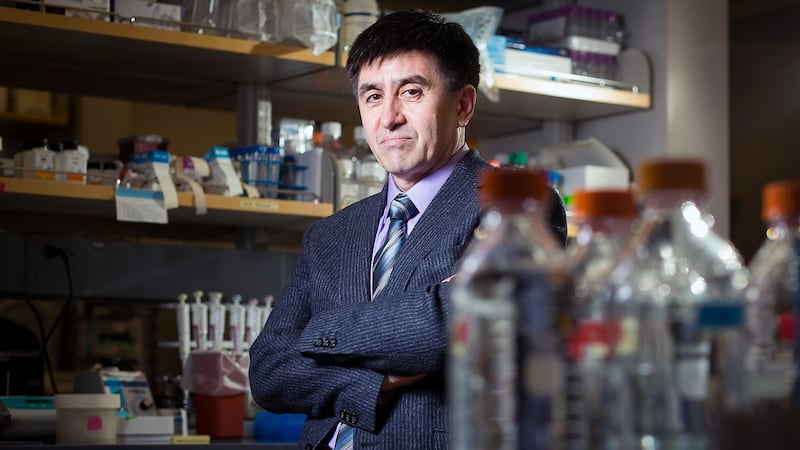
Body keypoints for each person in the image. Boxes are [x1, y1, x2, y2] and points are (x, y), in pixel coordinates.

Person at [249, 9, 567, 450]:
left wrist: (321, 332)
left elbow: (454, 328)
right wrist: (378, 380)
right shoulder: (330, 235)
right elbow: (268, 373)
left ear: (463, 105)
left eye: (412, 92)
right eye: (373, 96)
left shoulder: (515, 205)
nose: (389, 117)